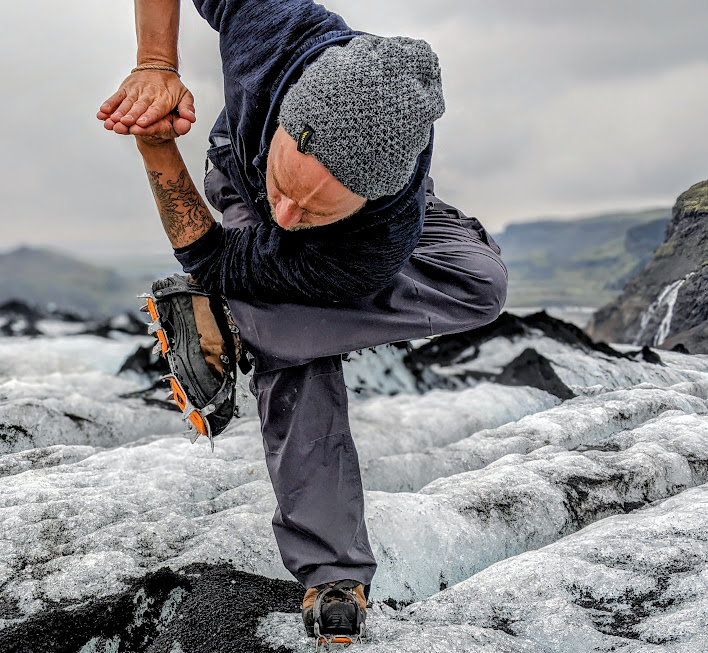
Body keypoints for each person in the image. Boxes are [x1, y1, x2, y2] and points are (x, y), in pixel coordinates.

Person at [97, 0, 508, 640]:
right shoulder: (270, 27)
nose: (286, 217)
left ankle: (237, 318)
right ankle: (331, 570)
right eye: (289, 186)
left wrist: (231, 279)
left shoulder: (371, 243)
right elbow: (228, 243)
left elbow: (215, 262)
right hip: (239, 170)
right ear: (290, 117)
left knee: (479, 285)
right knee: (298, 355)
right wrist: (155, 68)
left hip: (367, 239)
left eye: (314, 211)